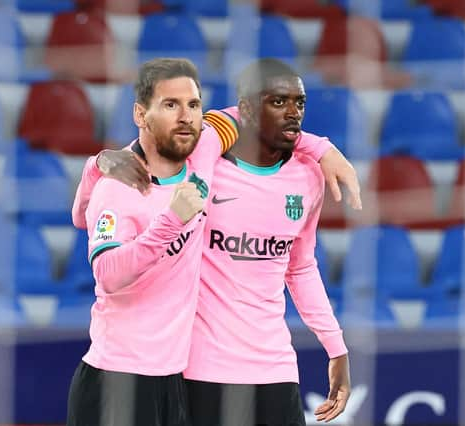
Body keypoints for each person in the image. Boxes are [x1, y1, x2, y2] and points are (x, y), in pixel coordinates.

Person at [68, 57, 356, 426]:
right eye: (278, 102)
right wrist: (100, 164)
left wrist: (336, 347)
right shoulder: (200, 165)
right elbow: (95, 215)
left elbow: (300, 266)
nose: (292, 113)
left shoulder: (307, 178)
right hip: (187, 372)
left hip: (266, 370)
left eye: (299, 103)